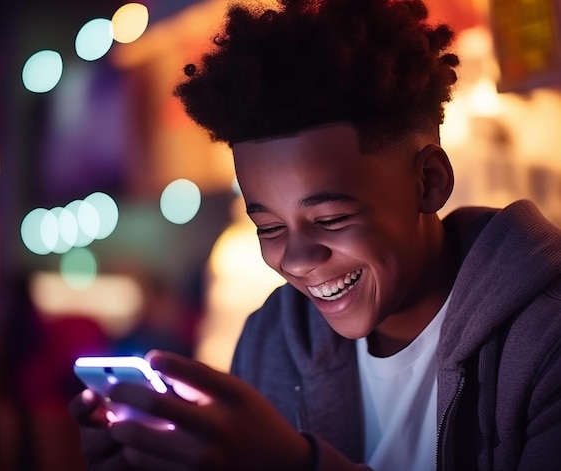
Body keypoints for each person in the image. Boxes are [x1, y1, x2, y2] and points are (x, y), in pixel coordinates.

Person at [69, 0, 561, 470]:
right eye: (270, 227)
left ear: (429, 182)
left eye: (330, 220)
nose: (298, 259)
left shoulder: (545, 338)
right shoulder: (273, 338)